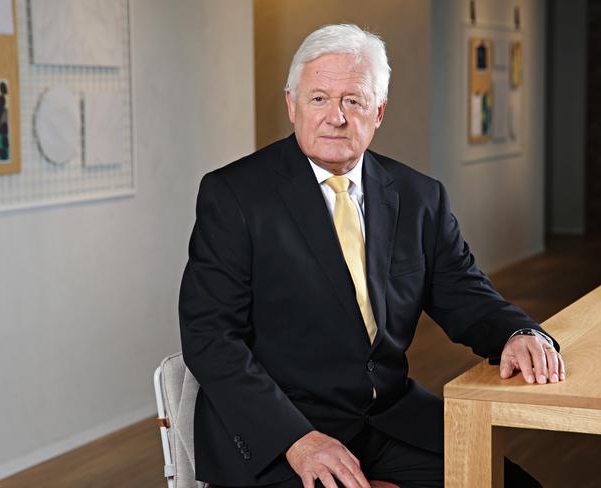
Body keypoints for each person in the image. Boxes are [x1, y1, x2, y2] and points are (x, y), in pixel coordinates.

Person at [179, 24, 565, 488]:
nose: (336, 117)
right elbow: (210, 338)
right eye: (319, 98)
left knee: (511, 484)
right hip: (283, 431)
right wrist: (298, 440)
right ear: (292, 104)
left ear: (378, 111)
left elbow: (463, 289)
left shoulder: (419, 196)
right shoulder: (235, 196)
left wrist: (516, 331)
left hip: (388, 420)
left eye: (353, 101)